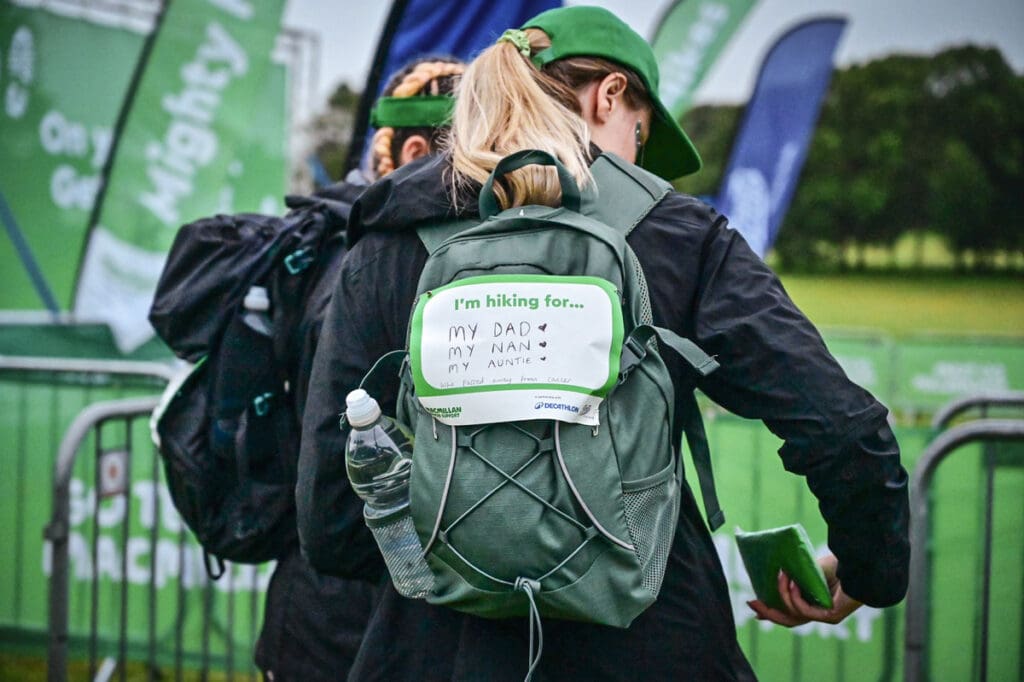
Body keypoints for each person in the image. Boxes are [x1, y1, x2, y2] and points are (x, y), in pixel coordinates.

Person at [297, 6, 909, 680]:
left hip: (434, 654)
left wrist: (466, 561)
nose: (638, 162)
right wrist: (867, 566)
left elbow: (331, 515)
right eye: (641, 136)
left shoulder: (385, 238)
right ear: (610, 95)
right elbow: (842, 428)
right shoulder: (677, 234)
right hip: (653, 645)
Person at [253, 56, 464, 681]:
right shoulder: (365, 263)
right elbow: (341, 450)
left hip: (361, 604)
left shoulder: (382, 255)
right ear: (418, 150)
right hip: (340, 617)